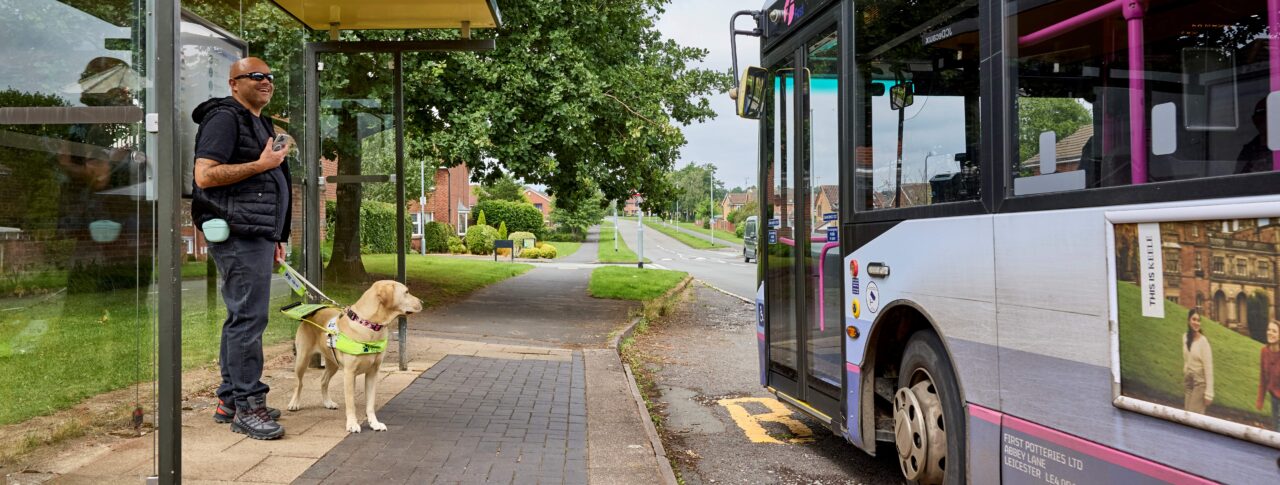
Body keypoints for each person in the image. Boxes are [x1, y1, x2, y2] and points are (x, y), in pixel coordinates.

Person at [191, 57, 292, 440]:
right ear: (234, 83)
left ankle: (231, 399)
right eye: (256, 76)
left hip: (257, 234)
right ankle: (249, 407)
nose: (266, 81)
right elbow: (206, 175)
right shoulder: (224, 118)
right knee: (249, 319)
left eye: (270, 76)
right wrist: (260, 162)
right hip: (237, 233)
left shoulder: (260, 121)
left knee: (242, 317)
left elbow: (271, 183)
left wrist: (277, 237)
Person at [1183, 308, 1214, 414]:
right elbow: (1187, 358)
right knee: (1186, 414)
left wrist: (1209, 393)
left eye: (1198, 320)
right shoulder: (1184, 338)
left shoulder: (1203, 342)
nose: (1196, 322)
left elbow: (1208, 368)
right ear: (1188, 321)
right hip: (1188, 382)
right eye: (1194, 319)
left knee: (1193, 415)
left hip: (1200, 383)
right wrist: (1186, 370)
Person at [1236, 97, 1271, 174]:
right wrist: (1252, 171)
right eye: (1258, 116)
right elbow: (1236, 179)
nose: (1261, 121)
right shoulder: (1248, 150)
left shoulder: (1276, 147)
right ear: (1254, 120)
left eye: (1265, 114)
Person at [1257, 321, 1280, 431]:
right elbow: (1263, 378)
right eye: (1269, 329)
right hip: (1274, 397)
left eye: (1274, 331)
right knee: (1276, 430)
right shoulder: (1264, 352)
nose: (1270, 333)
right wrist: (1260, 400)